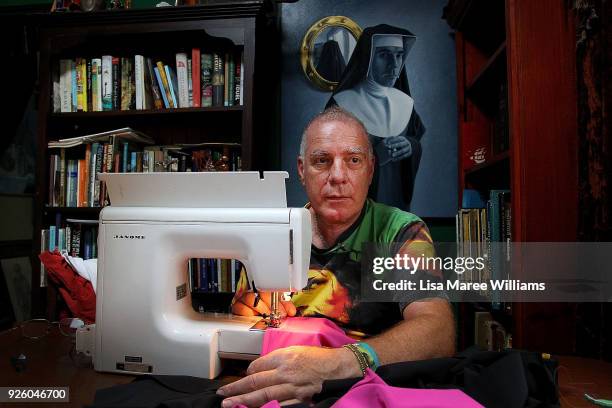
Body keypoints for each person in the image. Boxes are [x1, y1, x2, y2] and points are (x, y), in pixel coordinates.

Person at [219, 107, 454, 407]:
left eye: (353, 160)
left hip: (367, 390)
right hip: (279, 387)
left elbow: (438, 331)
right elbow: (238, 325)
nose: (338, 176)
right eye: (322, 161)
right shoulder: (272, 235)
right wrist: (243, 316)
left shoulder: (401, 231)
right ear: (302, 170)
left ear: (370, 169)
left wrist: (341, 363)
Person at [326, 24, 425, 211]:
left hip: (396, 208)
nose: (394, 64)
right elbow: (329, 160)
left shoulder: (406, 104)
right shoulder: (341, 105)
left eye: (398, 55)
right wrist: (376, 158)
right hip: (355, 212)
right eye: (384, 55)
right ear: (368, 58)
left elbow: (415, 139)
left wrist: (410, 146)